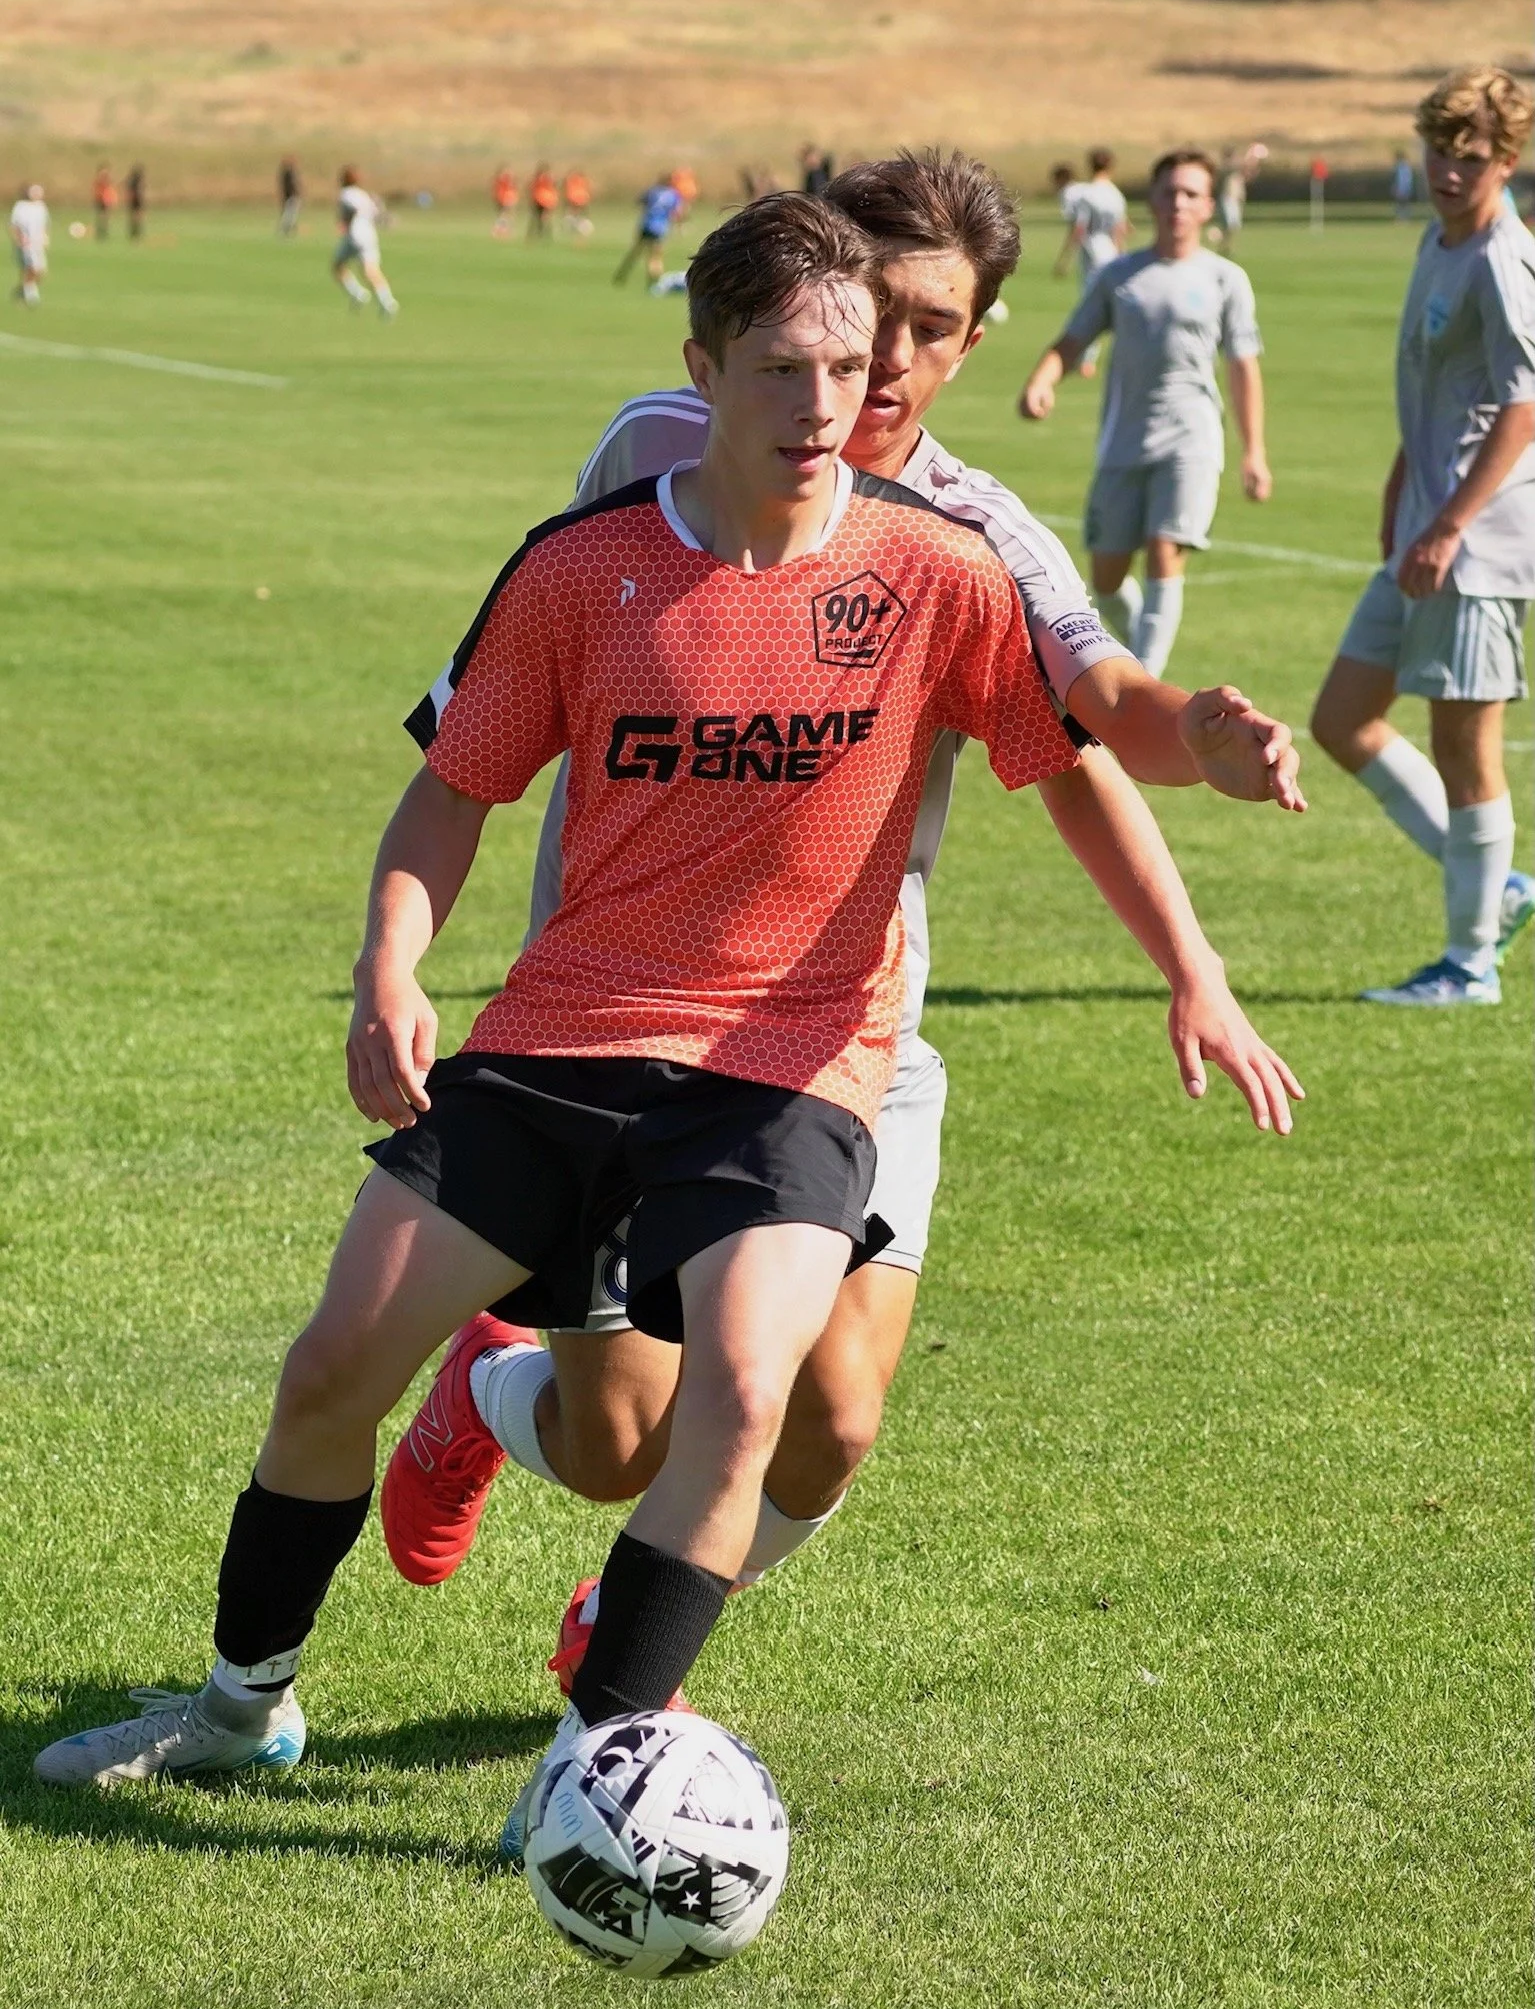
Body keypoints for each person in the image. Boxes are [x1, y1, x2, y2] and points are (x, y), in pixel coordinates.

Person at [33, 192, 1296, 1802]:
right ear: (702, 368)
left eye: (858, 365)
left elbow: (1088, 727)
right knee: (335, 1370)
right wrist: (389, 967)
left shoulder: (947, 563)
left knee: (759, 1404)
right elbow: (453, 787)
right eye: (788, 367)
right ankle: (236, 1706)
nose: (832, 400)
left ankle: (596, 1763)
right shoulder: (585, 561)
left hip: (795, 1063)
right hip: (564, 1033)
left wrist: (1207, 745)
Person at [382, 153, 1304, 1694]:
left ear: (971, 342)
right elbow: (547, 654)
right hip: (614, 1021)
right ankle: (483, 1400)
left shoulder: (973, 528)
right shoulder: (661, 445)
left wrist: (1192, 918)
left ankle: (629, 1665)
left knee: (834, 1413)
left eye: (928, 328)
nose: (880, 362)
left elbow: (1089, 732)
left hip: (844, 1032)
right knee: (613, 1437)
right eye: (864, 311)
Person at [1311, 67, 1535, 1006]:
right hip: (1424, 529)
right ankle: (1500, 890)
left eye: (1469, 156)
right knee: (1340, 721)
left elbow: (1524, 404)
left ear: (1507, 160)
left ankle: (1468, 963)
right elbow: (1435, 392)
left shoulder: (1499, 257)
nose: (1448, 170)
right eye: (1438, 150)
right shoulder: (1436, 240)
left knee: (1463, 750)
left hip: (1475, 547)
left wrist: (1446, 521)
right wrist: (1405, 483)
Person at [1019, 147, 1272, 681]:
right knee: (1106, 579)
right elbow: (1073, 339)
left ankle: (1144, 687)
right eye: (1169, 192)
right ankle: (1136, 656)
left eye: (1191, 194)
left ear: (1207, 207)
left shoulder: (1227, 280)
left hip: (1193, 439)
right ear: (1152, 200)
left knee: (1165, 550)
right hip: (1124, 441)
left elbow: (1243, 368)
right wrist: (1043, 380)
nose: (1178, 203)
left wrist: (1254, 451)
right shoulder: (1119, 276)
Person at [1051, 148, 1127, 377]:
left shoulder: (1087, 194)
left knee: (1092, 307)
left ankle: (1086, 361)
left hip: (1092, 254)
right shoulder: (1115, 194)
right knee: (1113, 305)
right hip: (1112, 254)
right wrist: (1122, 256)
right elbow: (1120, 229)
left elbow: (1079, 227)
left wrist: (1065, 258)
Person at [332, 167, 398, 318]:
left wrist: (345, 223)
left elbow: (352, 209)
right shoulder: (363, 194)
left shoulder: (346, 194)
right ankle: (387, 302)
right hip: (369, 235)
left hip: (354, 236)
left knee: (337, 266)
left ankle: (358, 293)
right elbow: (375, 212)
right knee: (371, 271)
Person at [614, 174, 682, 288]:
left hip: (647, 225)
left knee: (636, 250)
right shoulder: (674, 195)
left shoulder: (652, 191)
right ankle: (654, 282)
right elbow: (677, 212)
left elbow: (639, 201)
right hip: (660, 228)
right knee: (655, 256)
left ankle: (622, 273)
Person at [10, 182, 48, 306]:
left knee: (41, 271)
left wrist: (46, 238)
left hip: (38, 243)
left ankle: (23, 290)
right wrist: (18, 239)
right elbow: (15, 225)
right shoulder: (21, 207)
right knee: (31, 268)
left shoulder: (41, 207)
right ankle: (31, 297)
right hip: (27, 244)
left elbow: (44, 225)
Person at [528, 165, 557, 240]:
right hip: (540, 200)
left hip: (545, 201)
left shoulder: (543, 179)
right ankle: (538, 234)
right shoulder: (540, 179)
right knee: (539, 218)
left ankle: (543, 235)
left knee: (542, 218)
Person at [562, 168, 592, 239]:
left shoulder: (571, 180)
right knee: (578, 215)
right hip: (580, 199)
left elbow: (569, 190)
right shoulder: (582, 180)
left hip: (576, 199)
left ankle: (577, 228)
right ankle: (578, 228)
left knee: (576, 215)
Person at [278, 156, 302, 237]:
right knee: (288, 214)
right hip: (290, 196)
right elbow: (290, 186)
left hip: (291, 196)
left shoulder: (289, 173)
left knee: (291, 214)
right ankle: (286, 229)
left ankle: (290, 228)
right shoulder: (288, 173)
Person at [492, 166, 518, 239]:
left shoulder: (504, 179)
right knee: (504, 214)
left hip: (507, 197)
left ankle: (503, 229)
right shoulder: (503, 180)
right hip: (505, 197)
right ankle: (500, 229)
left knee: (505, 214)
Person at [92, 162, 116, 241]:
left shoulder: (107, 179)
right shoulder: (99, 180)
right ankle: (100, 233)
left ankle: (104, 232)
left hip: (106, 199)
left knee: (105, 217)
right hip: (100, 199)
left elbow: (109, 188)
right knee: (101, 216)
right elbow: (97, 189)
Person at [1392, 148, 1417, 222]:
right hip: (1403, 187)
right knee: (1401, 203)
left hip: (1403, 187)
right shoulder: (1402, 166)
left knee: (1403, 203)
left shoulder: (1403, 167)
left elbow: (1403, 179)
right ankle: (1401, 217)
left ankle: (1404, 217)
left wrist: (1400, 188)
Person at [125, 164, 145, 241]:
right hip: (136, 201)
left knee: (136, 218)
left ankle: (136, 234)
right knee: (136, 218)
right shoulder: (136, 182)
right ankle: (135, 234)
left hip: (136, 201)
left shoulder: (133, 181)